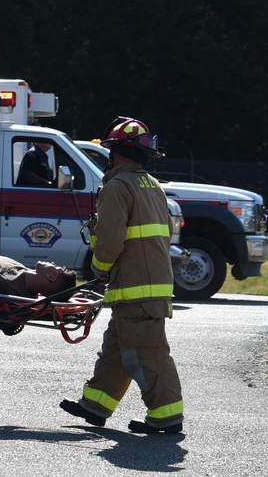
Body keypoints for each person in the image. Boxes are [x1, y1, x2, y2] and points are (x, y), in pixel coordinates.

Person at [59, 116, 184, 434]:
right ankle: (95, 405)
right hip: (147, 285)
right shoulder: (150, 185)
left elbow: (111, 239)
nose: (109, 158)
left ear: (118, 153)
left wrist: (99, 269)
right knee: (117, 345)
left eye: (111, 151)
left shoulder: (117, 186)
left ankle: (166, 414)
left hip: (135, 287)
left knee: (146, 350)